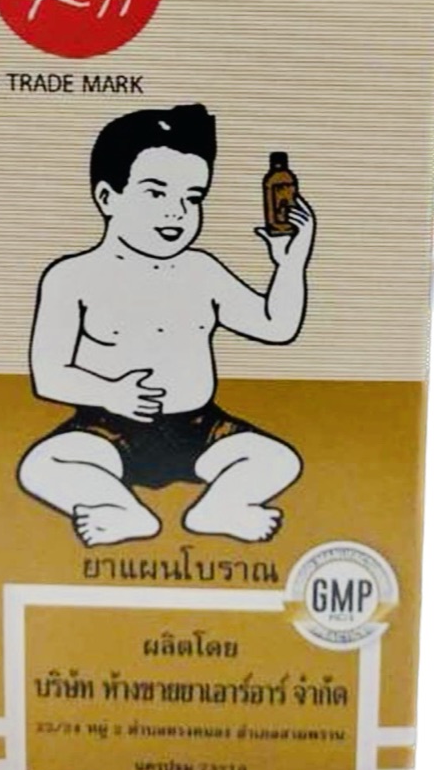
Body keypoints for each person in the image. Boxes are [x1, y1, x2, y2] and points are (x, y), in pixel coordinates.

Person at [18, 104, 315, 545]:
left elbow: (276, 326)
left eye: (192, 197)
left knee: (279, 460)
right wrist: (110, 392)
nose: (177, 211)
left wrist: (290, 265)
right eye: (156, 194)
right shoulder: (71, 277)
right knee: (42, 465)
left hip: (200, 428)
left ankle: (219, 507)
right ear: (107, 198)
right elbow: (48, 375)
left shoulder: (202, 270)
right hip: (108, 426)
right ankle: (118, 508)